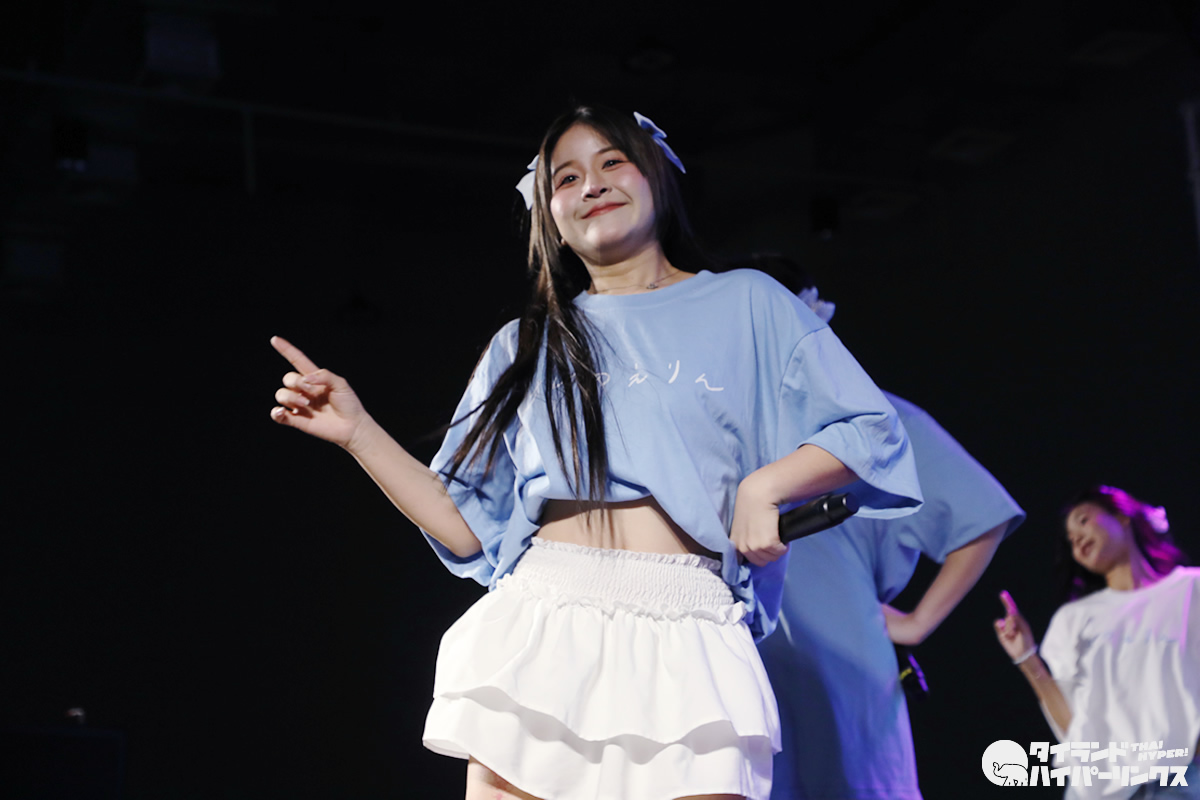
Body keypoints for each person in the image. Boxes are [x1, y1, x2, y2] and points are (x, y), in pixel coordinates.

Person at [268, 106, 922, 800]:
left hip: (689, 629)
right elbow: (464, 524)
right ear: (548, 214)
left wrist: (767, 486)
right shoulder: (525, 343)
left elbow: (870, 429)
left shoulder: (747, 303)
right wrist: (359, 432)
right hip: (546, 621)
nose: (592, 184)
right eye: (567, 177)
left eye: (613, 162)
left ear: (657, 178)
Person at [734, 255, 1025, 799]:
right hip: (737, 661)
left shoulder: (872, 421)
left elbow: (979, 516)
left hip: (840, 661)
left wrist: (918, 622)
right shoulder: (716, 423)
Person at [994, 485, 1199, 799]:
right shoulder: (1074, 618)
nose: (1076, 539)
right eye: (1070, 539)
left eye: (1083, 521)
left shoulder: (1191, 588)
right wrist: (1026, 658)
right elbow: (1073, 725)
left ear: (1122, 516)